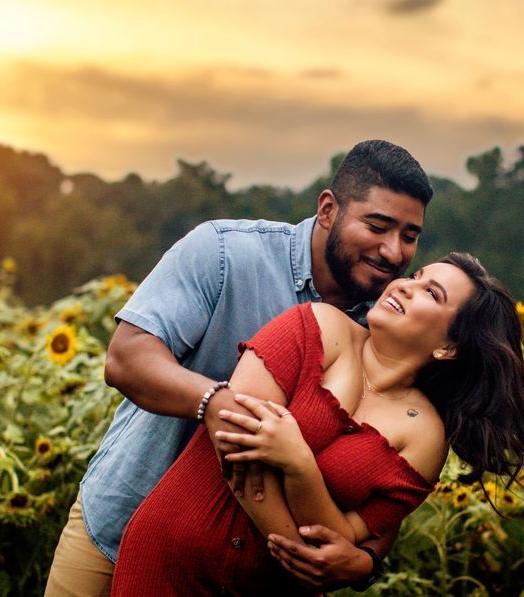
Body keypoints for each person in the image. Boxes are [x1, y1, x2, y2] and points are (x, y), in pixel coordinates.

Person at [44, 140, 433, 596]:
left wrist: (365, 560)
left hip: (249, 573)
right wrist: (214, 402)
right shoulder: (226, 253)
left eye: (409, 236)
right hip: (124, 516)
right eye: (377, 226)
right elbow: (127, 357)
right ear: (328, 209)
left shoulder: (388, 324)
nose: (393, 251)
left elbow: (385, 478)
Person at [110, 253, 524, 595]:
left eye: (432, 293)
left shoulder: (425, 436)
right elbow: (234, 439)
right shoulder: (314, 325)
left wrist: (299, 464)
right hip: (169, 558)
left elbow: (347, 538)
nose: (406, 286)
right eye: (416, 276)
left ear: (449, 347)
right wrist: (306, 557)